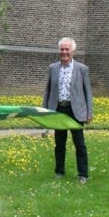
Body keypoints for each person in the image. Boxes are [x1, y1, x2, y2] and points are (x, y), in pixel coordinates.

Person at [42, 36, 93, 183]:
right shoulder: (53, 68)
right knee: (60, 143)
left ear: (73, 51)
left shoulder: (82, 69)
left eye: (67, 49)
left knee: (79, 144)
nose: (64, 52)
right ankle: (59, 171)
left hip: (76, 111)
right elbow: (48, 91)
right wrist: (45, 110)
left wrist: (89, 113)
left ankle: (83, 174)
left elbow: (88, 92)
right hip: (59, 109)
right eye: (62, 49)